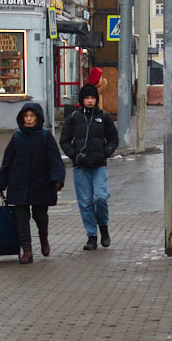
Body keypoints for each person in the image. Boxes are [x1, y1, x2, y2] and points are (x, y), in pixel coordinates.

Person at [0, 103, 65, 264]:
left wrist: (58, 179)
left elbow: (55, 159)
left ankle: (43, 237)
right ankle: (27, 251)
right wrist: (0, 183)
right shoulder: (17, 137)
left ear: (38, 118)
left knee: (40, 216)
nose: (29, 119)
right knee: (21, 218)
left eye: (32, 116)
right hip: (19, 183)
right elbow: (7, 161)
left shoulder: (45, 136)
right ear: (22, 118)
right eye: (26, 116)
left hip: (41, 184)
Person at [60, 83, 119, 250]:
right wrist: (74, 155)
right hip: (81, 167)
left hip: (99, 166)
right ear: (82, 100)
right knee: (85, 202)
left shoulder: (104, 117)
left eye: (93, 97)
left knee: (100, 197)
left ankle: (104, 228)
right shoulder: (74, 118)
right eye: (87, 98)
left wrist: (105, 152)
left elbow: (113, 139)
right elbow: (64, 140)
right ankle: (91, 235)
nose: (90, 101)